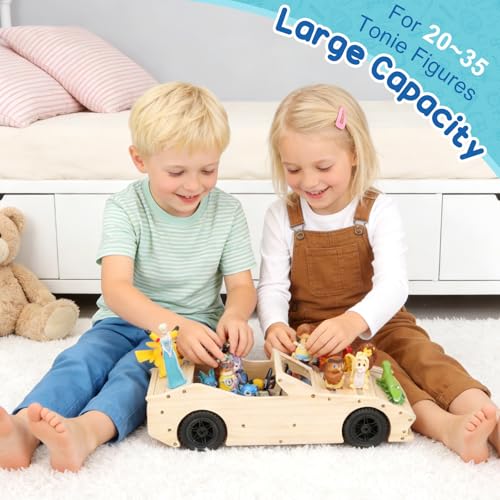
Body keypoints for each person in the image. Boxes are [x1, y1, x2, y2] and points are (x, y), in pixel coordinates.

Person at [0, 82, 256, 472]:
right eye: (176, 172)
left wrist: (235, 315)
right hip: (122, 321)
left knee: (137, 374)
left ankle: (86, 432)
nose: (194, 185)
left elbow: (241, 286)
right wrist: (173, 325)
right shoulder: (125, 206)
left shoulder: (228, 211)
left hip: (191, 330)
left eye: (208, 170)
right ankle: (21, 429)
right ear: (140, 160)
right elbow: (116, 289)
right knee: (80, 360)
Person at [257, 83, 499, 463]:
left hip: (382, 318)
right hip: (317, 334)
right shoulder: (281, 216)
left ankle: (488, 416)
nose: (309, 181)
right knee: (379, 374)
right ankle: (446, 428)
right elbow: (272, 286)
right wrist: (273, 325)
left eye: (323, 167)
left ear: (354, 153)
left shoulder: (377, 209)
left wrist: (354, 320)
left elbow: (394, 284)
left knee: (425, 356)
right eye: (293, 169)